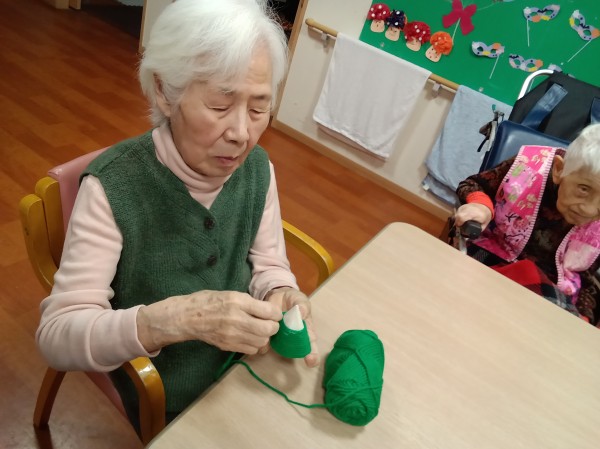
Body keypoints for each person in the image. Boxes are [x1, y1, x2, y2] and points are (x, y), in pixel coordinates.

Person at [35, 0, 319, 430]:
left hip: (244, 369)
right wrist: (171, 321)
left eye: (259, 109)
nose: (242, 133)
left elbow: (269, 264)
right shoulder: (113, 189)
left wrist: (281, 291)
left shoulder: (259, 169)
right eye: (220, 105)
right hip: (166, 393)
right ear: (165, 92)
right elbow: (57, 336)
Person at [453, 123, 600, 325]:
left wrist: (583, 319)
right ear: (559, 169)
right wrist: (481, 207)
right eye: (583, 189)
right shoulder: (528, 168)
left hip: (556, 287)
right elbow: (473, 185)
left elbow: (587, 276)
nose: (590, 209)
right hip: (494, 257)